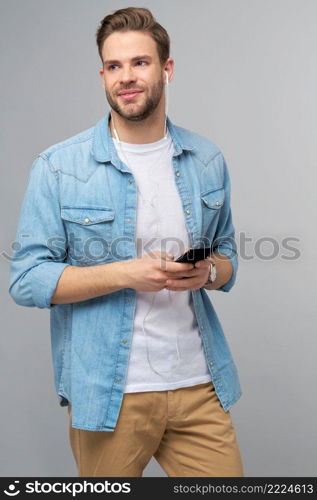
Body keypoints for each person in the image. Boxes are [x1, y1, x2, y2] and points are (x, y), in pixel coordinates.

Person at [8, 7, 244, 477]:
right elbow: (27, 280)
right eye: (114, 67)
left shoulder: (206, 160)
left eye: (140, 63)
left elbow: (228, 257)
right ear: (101, 77)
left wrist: (209, 272)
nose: (126, 78)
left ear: (167, 69)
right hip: (109, 392)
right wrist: (127, 274)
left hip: (199, 385)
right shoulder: (58, 167)